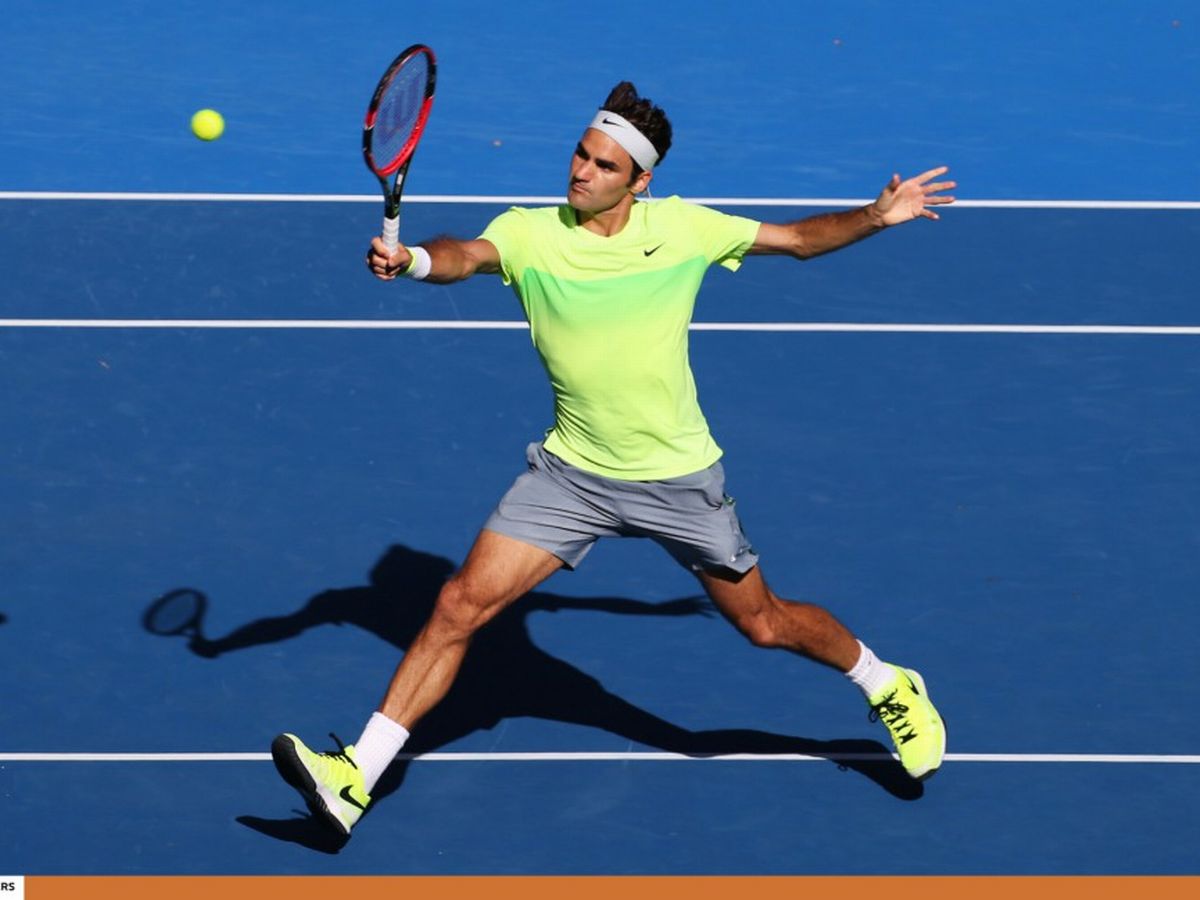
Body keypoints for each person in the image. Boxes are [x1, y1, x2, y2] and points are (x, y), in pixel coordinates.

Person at [271, 82, 954, 836]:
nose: (581, 171)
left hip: (676, 479)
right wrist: (415, 262)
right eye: (580, 154)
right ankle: (355, 777)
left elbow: (796, 240)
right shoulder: (532, 234)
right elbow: (467, 254)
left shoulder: (684, 229)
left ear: (640, 181)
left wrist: (875, 216)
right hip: (571, 476)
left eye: (604, 165)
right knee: (458, 604)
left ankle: (886, 681)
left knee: (764, 624)